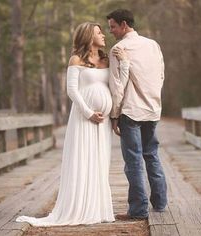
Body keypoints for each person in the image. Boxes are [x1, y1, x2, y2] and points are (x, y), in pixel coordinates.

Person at [16, 22, 130, 226]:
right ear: (88, 36)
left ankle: (97, 207)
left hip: (102, 122)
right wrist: (88, 113)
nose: (104, 35)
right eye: (98, 32)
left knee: (100, 162)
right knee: (83, 159)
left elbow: (118, 84)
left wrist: (125, 64)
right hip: (84, 118)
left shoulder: (107, 59)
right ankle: (79, 206)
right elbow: (72, 90)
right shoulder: (76, 59)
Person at [106, 9, 167, 220]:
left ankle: (138, 210)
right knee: (151, 155)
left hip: (131, 110)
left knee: (133, 161)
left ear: (123, 25)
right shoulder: (153, 45)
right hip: (152, 109)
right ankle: (160, 203)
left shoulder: (118, 49)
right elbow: (161, 75)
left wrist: (114, 115)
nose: (111, 31)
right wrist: (154, 100)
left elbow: (117, 86)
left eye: (112, 26)